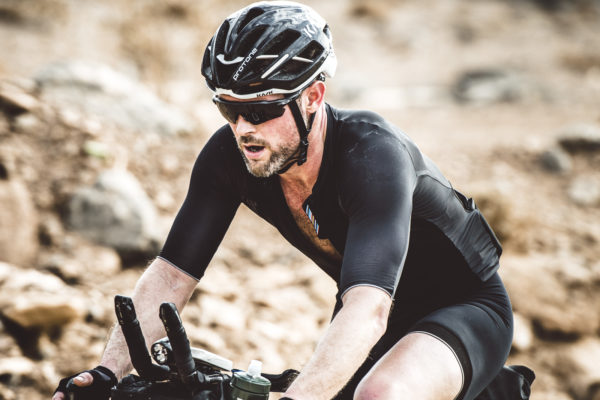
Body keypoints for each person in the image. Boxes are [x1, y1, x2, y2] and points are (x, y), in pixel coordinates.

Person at [53, 2, 517, 399]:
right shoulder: (230, 156)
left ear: (313, 96)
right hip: (370, 315)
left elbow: (368, 308)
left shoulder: (371, 155)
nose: (243, 129)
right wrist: (108, 372)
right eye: (228, 108)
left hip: (463, 308)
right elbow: (172, 275)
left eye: (260, 110)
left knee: (379, 394)